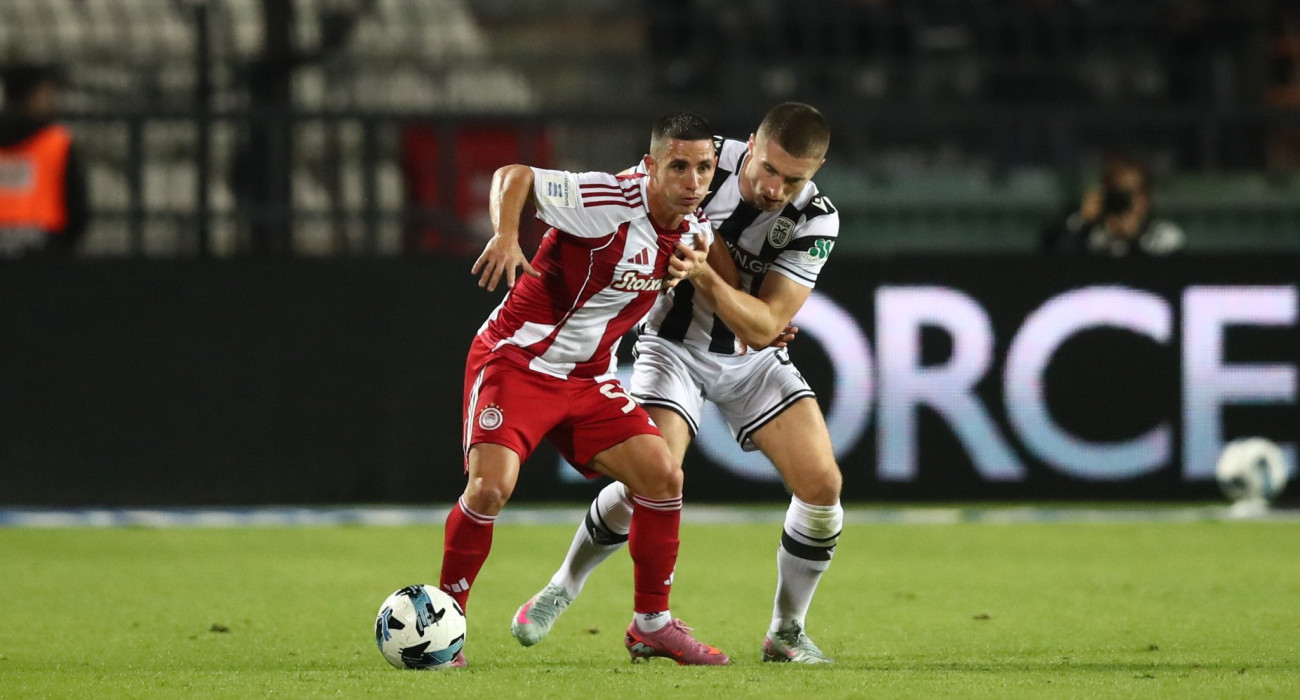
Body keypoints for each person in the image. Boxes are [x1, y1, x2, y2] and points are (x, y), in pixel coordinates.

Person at [510, 102, 844, 664]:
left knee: (822, 485)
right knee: (652, 476)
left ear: (818, 170)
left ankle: (786, 631)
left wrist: (703, 273)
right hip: (672, 348)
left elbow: (764, 327)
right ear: (751, 145)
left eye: (793, 179)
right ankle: (562, 586)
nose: (775, 188)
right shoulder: (698, 161)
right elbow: (622, 202)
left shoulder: (817, 219)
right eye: (768, 169)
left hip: (751, 361)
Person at [440, 111, 730, 667]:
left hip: (589, 378)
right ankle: (445, 628)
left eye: (703, 168)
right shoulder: (606, 199)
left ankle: (652, 626)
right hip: (518, 362)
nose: (693, 181)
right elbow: (515, 175)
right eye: (678, 167)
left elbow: (703, 278)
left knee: (663, 476)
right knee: (489, 489)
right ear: (650, 166)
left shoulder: (694, 232)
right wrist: (506, 234)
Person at [0, 63, 88, 259]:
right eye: (46, 93)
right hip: (46, 251)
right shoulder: (56, 143)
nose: (52, 101)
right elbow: (77, 208)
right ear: (29, 97)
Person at [1040, 152, 1185, 257]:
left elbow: (1169, 276)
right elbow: (1051, 258)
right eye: (1117, 192)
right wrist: (1081, 219)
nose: (1124, 200)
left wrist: (1134, 239)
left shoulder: (1165, 235)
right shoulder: (1089, 235)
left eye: (1131, 193)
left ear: (1145, 198)